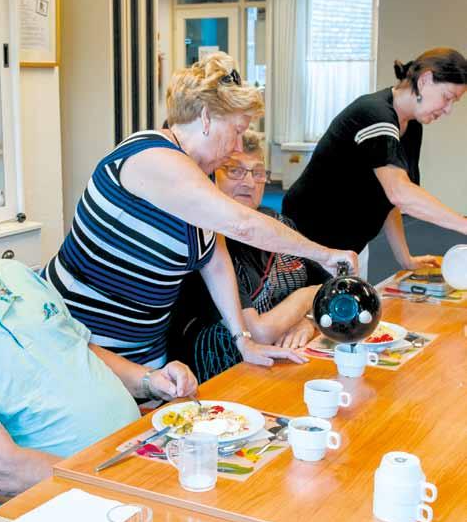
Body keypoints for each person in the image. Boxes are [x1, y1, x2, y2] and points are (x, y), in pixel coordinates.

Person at [0, 191, 197, 522]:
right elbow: (6, 471)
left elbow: (80, 348)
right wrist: (120, 482)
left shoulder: (14, 275)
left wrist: (149, 381)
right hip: (48, 511)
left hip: (133, 458)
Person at [43, 52, 356, 372]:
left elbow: (215, 260)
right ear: (206, 117)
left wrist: (242, 338)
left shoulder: (199, 174)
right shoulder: (154, 157)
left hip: (142, 350)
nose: (238, 146)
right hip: (81, 342)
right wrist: (323, 254)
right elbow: (243, 225)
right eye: (236, 130)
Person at [282, 48, 467, 279]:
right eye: (448, 97)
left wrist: (405, 259)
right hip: (309, 245)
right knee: (313, 313)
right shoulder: (375, 115)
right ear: (425, 80)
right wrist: (464, 225)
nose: (448, 109)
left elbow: (390, 199)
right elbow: (401, 194)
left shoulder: (411, 127)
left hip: (351, 245)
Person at [169, 130, 330, 382]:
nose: (249, 182)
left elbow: (334, 287)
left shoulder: (278, 224)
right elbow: (258, 332)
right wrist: (308, 296)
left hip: (287, 362)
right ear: (210, 176)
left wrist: (308, 320)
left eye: (257, 173)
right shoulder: (206, 239)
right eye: (235, 171)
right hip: (225, 374)